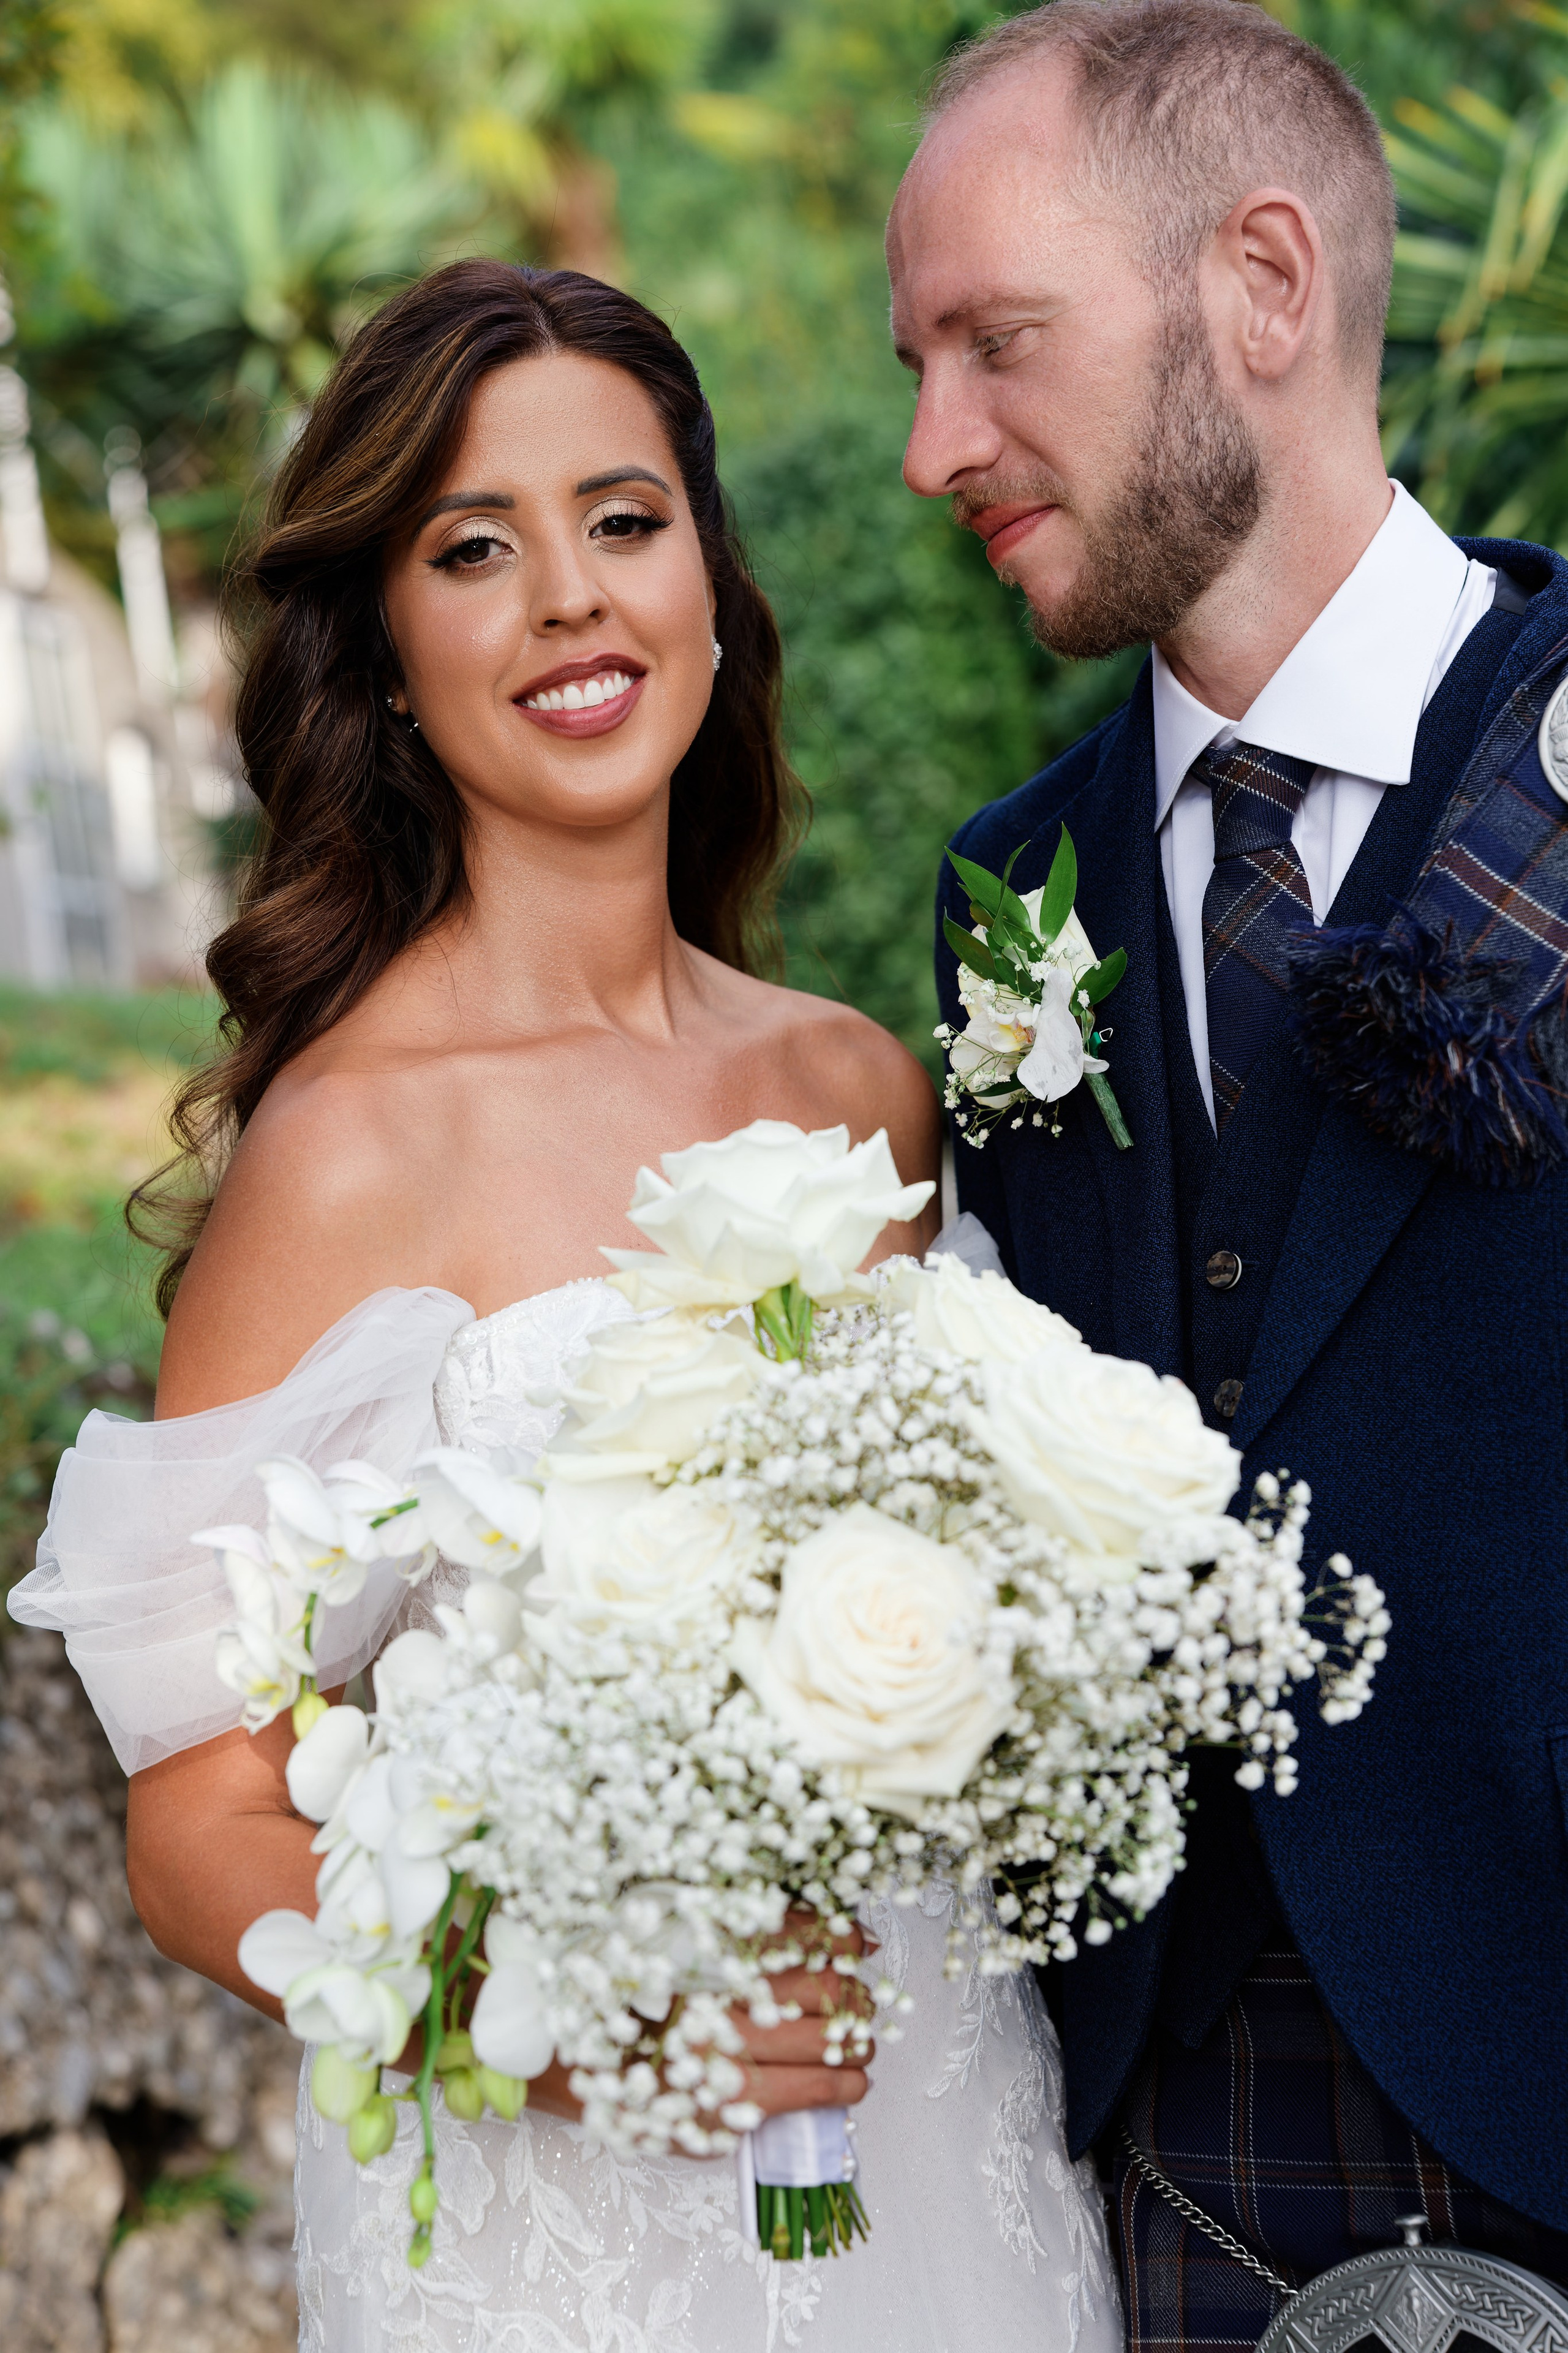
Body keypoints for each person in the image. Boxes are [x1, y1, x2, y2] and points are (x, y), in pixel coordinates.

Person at [10, 260, 1121, 2352]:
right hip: (557, 2239)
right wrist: (562, 2028)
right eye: (472, 548)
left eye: (622, 519)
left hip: (937, 2148)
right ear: (391, 649)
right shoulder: (345, 1155)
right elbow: (196, 1828)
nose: (570, 600)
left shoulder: (863, 1087)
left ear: (709, 575)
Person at [892, 2, 1568, 2346]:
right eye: (914, 363)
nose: (926, 446)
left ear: (1263, 283)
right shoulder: (1014, 892)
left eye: (993, 343)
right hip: (1169, 2142)